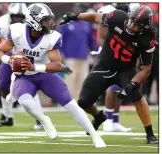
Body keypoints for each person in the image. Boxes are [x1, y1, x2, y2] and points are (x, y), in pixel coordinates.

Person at [0, 3, 106, 148]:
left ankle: (95, 135)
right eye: (45, 20)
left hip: (44, 75)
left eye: (49, 19)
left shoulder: (52, 37)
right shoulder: (17, 31)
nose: (50, 23)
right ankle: (44, 120)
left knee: (71, 104)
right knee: (26, 102)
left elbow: (57, 65)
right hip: (25, 77)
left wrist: (34, 66)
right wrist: (9, 60)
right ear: (33, 21)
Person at [60, 5, 158, 144]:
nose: (131, 26)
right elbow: (95, 17)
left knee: (137, 97)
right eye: (130, 21)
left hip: (126, 69)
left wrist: (131, 84)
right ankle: (99, 117)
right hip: (105, 65)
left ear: (144, 27)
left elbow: (145, 69)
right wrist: (75, 16)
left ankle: (150, 134)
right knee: (83, 102)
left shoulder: (147, 38)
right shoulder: (118, 17)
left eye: (136, 25)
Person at [0, 3, 43, 130]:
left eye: (20, 17)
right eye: (15, 16)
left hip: (27, 52)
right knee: (3, 84)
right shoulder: (1, 24)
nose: (17, 19)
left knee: (29, 84)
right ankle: (7, 116)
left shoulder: (32, 23)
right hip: (10, 53)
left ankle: (40, 118)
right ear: (9, 14)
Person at [96, 3, 136, 132]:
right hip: (109, 55)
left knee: (120, 88)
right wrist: (112, 52)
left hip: (123, 55)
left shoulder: (133, 12)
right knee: (113, 87)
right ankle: (108, 120)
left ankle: (115, 120)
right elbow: (100, 37)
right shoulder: (109, 12)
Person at [57, 4, 98, 101]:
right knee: (71, 78)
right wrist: (60, 52)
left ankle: (79, 100)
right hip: (69, 56)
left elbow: (91, 40)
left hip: (83, 56)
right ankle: (68, 100)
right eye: (75, 9)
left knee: (82, 79)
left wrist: (95, 52)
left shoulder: (86, 24)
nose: (76, 11)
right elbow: (59, 39)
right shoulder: (66, 23)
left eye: (79, 10)